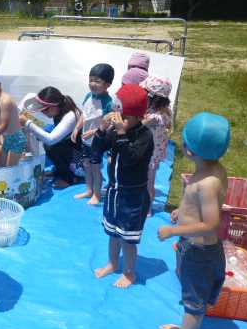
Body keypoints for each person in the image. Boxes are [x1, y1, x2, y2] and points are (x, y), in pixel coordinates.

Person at [149, 113, 231, 329]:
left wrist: (174, 230)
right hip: (200, 249)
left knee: (194, 300)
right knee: (197, 295)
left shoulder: (207, 183)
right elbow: (198, 206)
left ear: (189, 151)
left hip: (200, 251)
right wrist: (180, 210)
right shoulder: (213, 170)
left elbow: (211, 224)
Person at [92, 84, 153, 288]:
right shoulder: (119, 130)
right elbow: (96, 152)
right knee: (112, 232)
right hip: (114, 191)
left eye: (122, 115)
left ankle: (129, 272)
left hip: (133, 195)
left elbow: (129, 159)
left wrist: (121, 133)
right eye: (117, 114)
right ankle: (113, 263)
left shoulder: (145, 136)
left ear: (136, 115)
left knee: (127, 238)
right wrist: (102, 130)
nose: (118, 118)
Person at [20, 87, 82, 188]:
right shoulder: (61, 108)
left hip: (83, 161)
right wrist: (18, 111)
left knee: (50, 145)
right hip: (72, 147)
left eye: (42, 111)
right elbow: (30, 95)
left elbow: (51, 139)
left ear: (52, 108)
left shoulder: (71, 115)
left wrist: (28, 123)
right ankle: (61, 171)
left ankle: (70, 178)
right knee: (48, 141)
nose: (41, 113)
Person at [72, 63, 114, 205]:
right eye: (91, 80)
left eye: (97, 81)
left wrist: (94, 132)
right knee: (86, 164)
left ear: (108, 84)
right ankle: (89, 190)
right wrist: (77, 128)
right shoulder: (89, 96)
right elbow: (85, 113)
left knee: (95, 167)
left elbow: (110, 125)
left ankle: (97, 194)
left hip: (97, 140)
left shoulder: (109, 103)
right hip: (86, 139)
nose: (92, 84)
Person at [141, 74, 173, 216]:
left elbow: (138, 126)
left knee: (148, 181)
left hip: (150, 152)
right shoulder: (166, 110)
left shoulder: (154, 117)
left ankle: (147, 208)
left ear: (156, 98)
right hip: (156, 147)